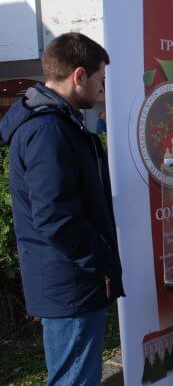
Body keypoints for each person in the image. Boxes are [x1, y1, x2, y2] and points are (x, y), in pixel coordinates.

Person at [0, 32, 124, 385]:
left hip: (69, 280)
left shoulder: (58, 123)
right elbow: (56, 216)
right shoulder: (49, 130)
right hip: (71, 283)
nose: (101, 90)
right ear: (79, 75)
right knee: (74, 378)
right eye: (100, 80)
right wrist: (98, 261)